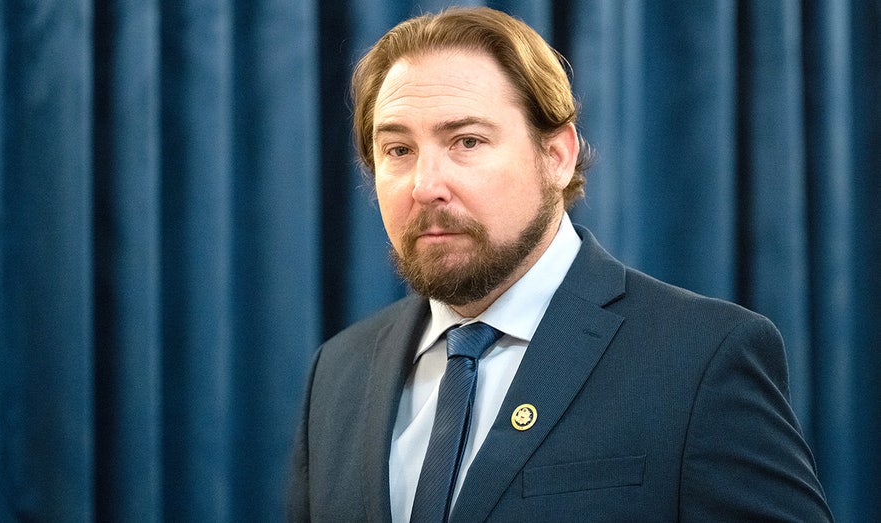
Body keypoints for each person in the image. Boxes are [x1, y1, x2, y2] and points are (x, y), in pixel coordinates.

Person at [288, 6, 832, 522]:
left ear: (556, 156)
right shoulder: (337, 371)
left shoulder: (702, 358)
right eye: (398, 150)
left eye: (467, 141)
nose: (425, 185)